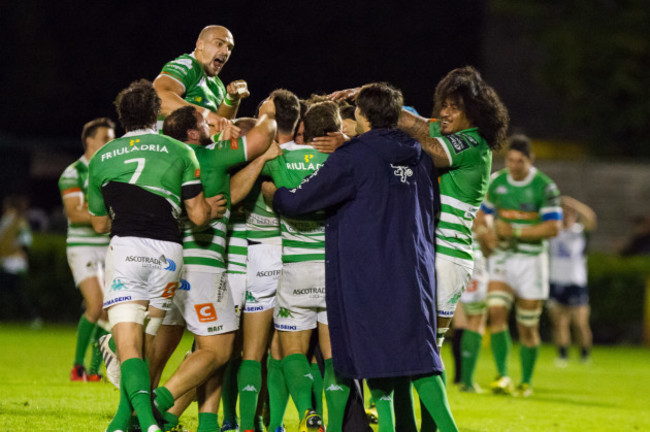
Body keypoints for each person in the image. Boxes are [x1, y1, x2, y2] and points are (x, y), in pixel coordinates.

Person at [264, 82, 458, 432]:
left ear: (363, 116)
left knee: (369, 360)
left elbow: (298, 202)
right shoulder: (419, 154)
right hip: (415, 273)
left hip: (367, 273)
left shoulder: (354, 156)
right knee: (421, 359)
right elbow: (433, 209)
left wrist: (274, 192)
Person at [87, 79, 221, 432]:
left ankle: (146, 422)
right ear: (157, 113)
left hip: (127, 248)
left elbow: (99, 224)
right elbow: (197, 215)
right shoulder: (182, 152)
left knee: (129, 345)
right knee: (146, 341)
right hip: (169, 254)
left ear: (122, 116)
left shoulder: (102, 156)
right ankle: (121, 420)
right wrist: (215, 210)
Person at [142, 103, 275, 432]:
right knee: (219, 349)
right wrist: (270, 113)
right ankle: (158, 403)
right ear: (191, 133)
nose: (213, 126)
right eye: (206, 123)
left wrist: (257, 161)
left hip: (167, 265)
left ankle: (205, 422)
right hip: (203, 268)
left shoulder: (165, 163)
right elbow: (262, 136)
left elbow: (228, 194)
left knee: (206, 348)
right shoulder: (209, 155)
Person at [475, 134, 562, 397]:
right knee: (496, 311)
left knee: (527, 326)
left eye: (519, 161)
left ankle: (525, 381)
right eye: (510, 160)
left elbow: (553, 227)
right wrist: (484, 232)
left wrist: (514, 231)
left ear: (530, 160)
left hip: (532, 260)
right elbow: (481, 215)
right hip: (503, 258)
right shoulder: (497, 181)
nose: (513, 165)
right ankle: (502, 376)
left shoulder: (545, 187)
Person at [59, 117, 115, 382]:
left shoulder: (112, 170)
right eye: (106, 138)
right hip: (82, 248)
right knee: (96, 304)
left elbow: (86, 211)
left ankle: (93, 370)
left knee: (109, 310)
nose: (111, 143)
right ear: (89, 141)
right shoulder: (73, 173)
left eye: (113, 138)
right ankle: (77, 367)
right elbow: (74, 212)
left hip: (108, 247)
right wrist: (112, 215)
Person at [153, 25, 249, 134]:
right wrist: (206, 115)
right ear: (200, 45)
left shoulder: (218, 85)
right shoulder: (186, 66)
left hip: (195, 148)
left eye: (229, 48)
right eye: (219, 44)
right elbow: (158, 97)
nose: (225, 52)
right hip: (168, 146)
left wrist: (232, 99)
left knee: (245, 129)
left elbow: (220, 127)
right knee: (250, 128)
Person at [548, 196, 597, 366]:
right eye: (564, 213)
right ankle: (562, 354)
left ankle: (584, 354)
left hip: (576, 282)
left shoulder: (579, 231)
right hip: (556, 281)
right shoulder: (554, 231)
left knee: (580, 322)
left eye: (570, 213)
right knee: (559, 322)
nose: (567, 216)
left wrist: (573, 203)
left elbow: (591, 218)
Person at [0, 194, 38, 324]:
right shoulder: (7, 221)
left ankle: (33, 317)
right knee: (17, 294)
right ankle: (32, 317)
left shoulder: (18, 222)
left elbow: (26, 241)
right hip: (6, 262)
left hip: (14, 264)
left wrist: (18, 250)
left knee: (18, 294)